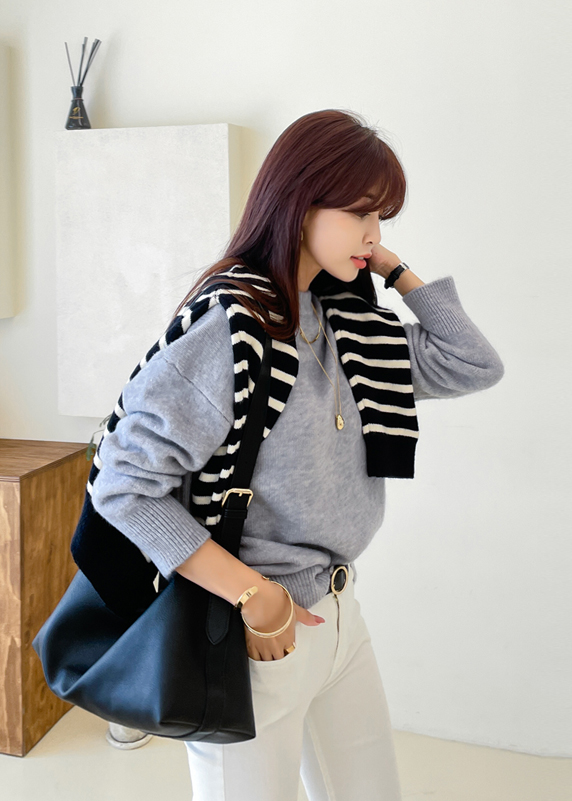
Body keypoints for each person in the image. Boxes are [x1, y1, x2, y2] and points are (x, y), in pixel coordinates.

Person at [90, 109, 504, 800]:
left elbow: (473, 363)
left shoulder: (346, 323)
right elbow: (122, 484)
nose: (375, 234)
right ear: (299, 202)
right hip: (250, 633)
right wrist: (256, 598)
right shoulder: (232, 326)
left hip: (339, 616)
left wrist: (394, 270)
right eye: (361, 213)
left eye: (382, 217)